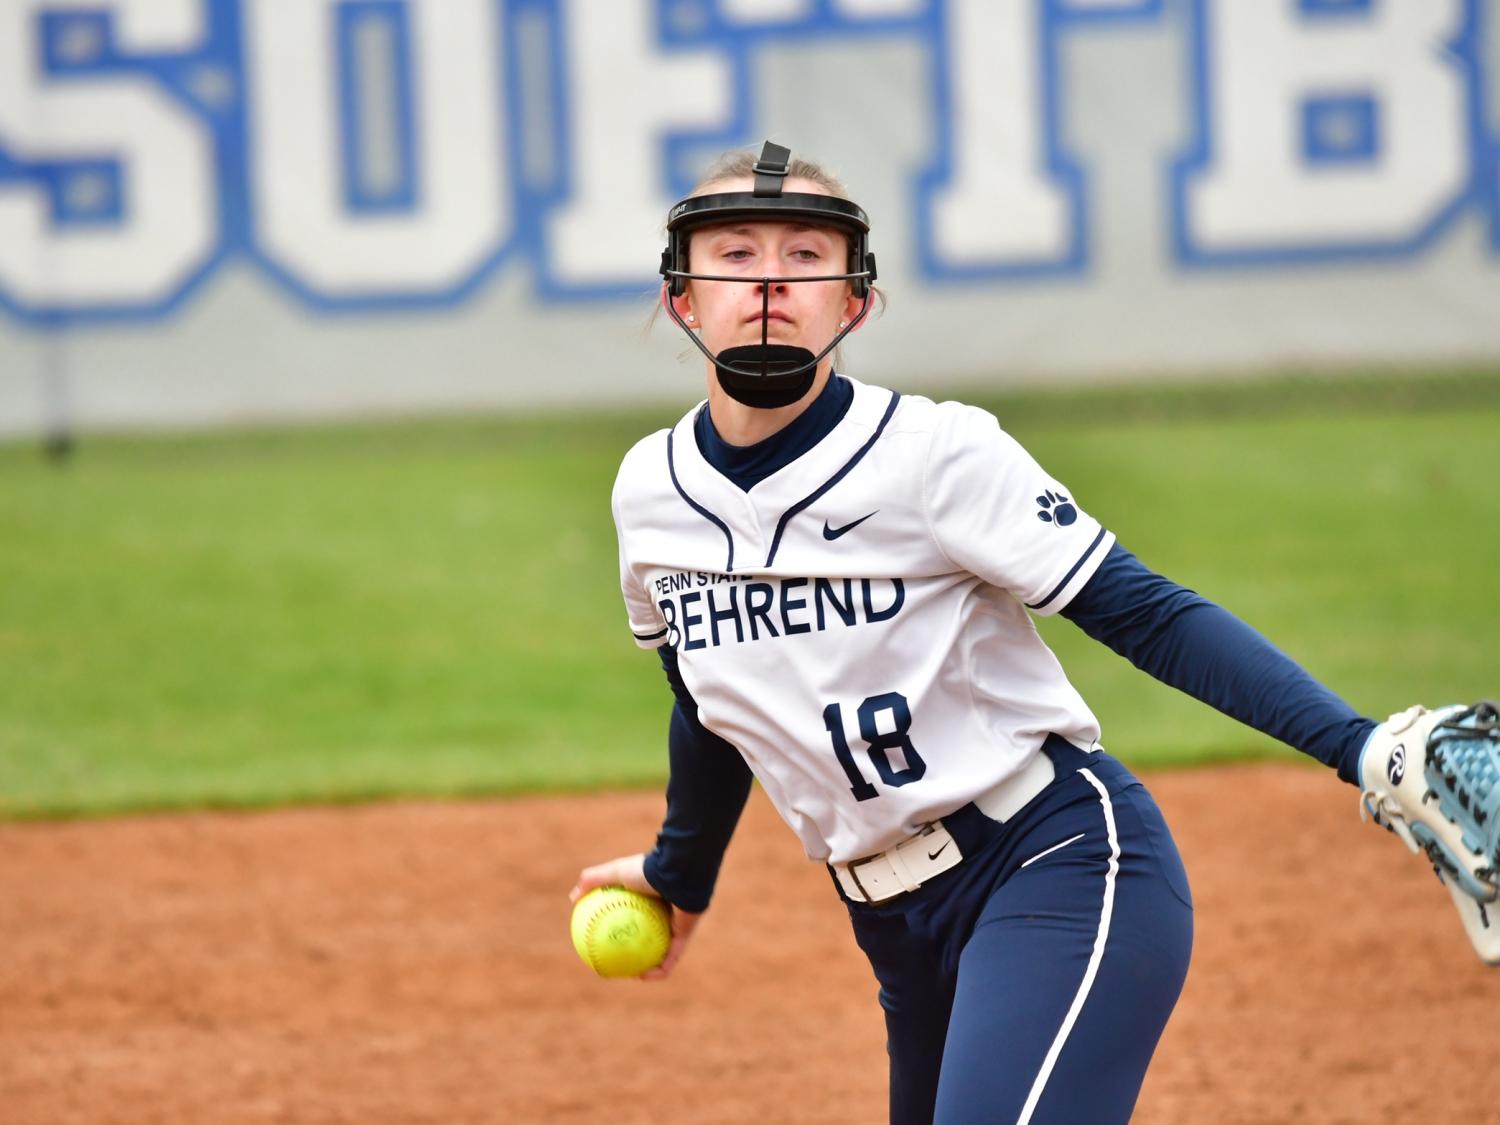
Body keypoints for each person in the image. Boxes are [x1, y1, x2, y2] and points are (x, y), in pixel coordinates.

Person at [570, 141, 1499, 1125]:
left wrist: (1354, 744)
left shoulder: (935, 454)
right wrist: (679, 873)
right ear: (683, 298)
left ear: (856, 302)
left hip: (1055, 865)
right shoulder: (650, 490)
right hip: (893, 926)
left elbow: (1143, 610)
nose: (768, 283)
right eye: (735, 256)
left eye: (806, 257)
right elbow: (711, 703)